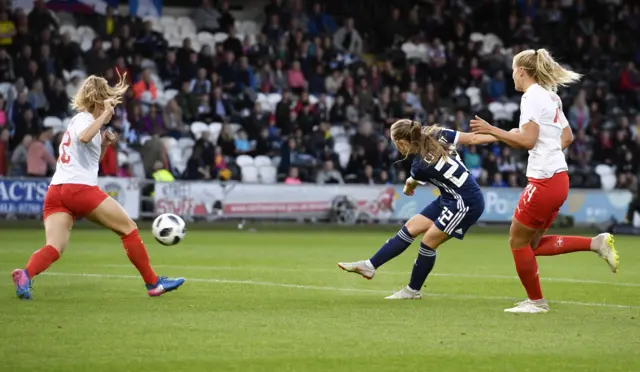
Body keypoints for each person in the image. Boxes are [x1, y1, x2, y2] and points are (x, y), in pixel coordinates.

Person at [470, 48, 619, 314]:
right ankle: (596, 243)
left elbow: (527, 140)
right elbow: (568, 137)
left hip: (544, 180)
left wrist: (493, 129)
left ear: (522, 71)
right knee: (533, 244)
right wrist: (547, 151)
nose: (512, 76)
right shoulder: (551, 97)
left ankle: (536, 302)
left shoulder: (531, 97)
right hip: (559, 178)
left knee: (517, 241)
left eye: (513, 70)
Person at [11, 73, 184, 300]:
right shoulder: (84, 120)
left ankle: (25, 275)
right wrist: (103, 116)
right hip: (78, 189)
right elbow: (83, 137)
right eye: (107, 97)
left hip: (57, 192)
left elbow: (89, 161)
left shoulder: (83, 123)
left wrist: (104, 145)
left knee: (54, 247)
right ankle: (153, 283)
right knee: (128, 228)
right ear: (99, 98)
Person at [338, 119, 497, 299]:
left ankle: (412, 290)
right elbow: (472, 139)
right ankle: (370, 265)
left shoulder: (419, 165)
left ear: (403, 143)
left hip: (465, 202)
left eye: (395, 143)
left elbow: (411, 182)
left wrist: (407, 189)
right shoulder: (436, 132)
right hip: (450, 195)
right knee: (411, 227)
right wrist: (504, 135)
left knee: (428, 242)